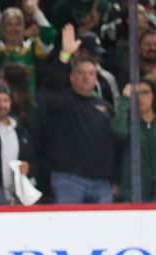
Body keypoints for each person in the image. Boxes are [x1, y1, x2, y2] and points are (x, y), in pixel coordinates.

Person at [40, 24, 115, 204]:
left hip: (102, 183)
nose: (86, 77)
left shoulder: (105, 107)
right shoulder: (61, 100)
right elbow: (50, 87)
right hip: (69, 180)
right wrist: (65, 56)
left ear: (96, 78)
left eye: (91, 73)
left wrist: (115, 179)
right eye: (80, 73)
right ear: (71, 77)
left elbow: (115, 144)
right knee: (68, 231)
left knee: (106, 231)